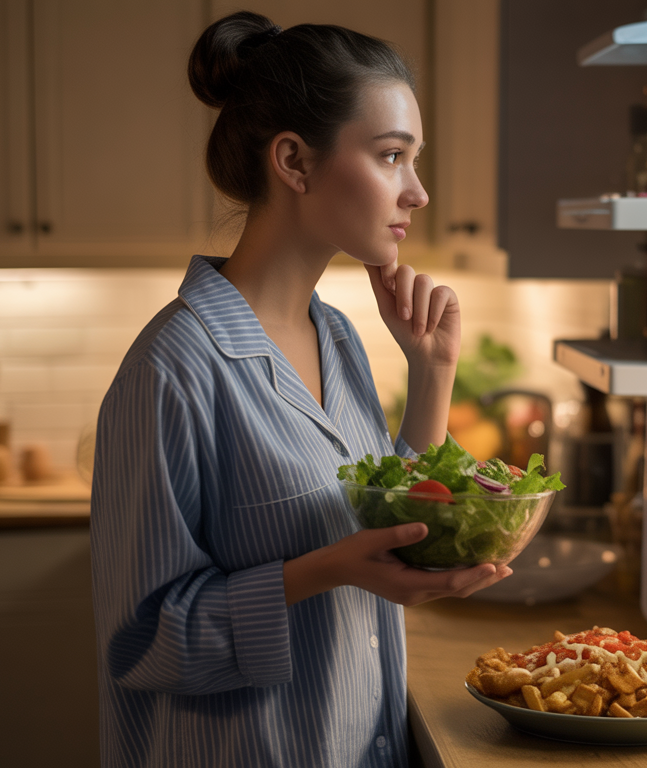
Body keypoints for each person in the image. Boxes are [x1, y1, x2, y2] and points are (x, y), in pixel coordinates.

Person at [89, 12, 511, 767]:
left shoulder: (340, 336)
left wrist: (431, 371)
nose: (416, 191)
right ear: (295, 161)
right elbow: (144, 642)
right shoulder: (173, 368)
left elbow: (395, 523)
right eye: (391, 156)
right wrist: (325, 569)